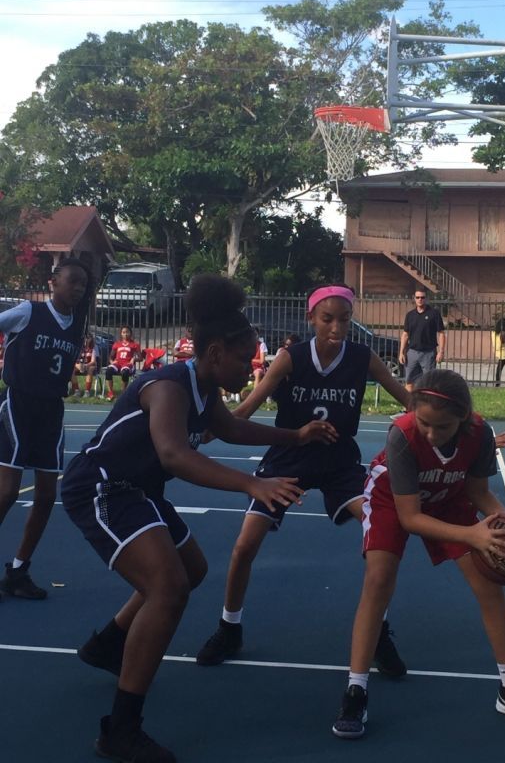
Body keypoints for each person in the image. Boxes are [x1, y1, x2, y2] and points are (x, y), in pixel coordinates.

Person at [61, 274, 335, 763]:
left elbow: (228, 427)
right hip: (102, 487)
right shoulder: (168, 386)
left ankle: (108, 646)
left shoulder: (204, 389)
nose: (252, 367)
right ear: (212, 353)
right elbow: (173, 455)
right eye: (243, 358)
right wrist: (253, 483)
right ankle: (120, 731)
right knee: (169, 589)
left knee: (191, 570)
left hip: (138, 489)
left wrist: (295, 437)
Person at [196, 284, 411, 671]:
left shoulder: (362, 358)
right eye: (327, 319)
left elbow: (410, 402)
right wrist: (203, 431)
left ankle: (378, 630)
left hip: (339, 462)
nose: (336, 327)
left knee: (382, 534)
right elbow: (247, 406)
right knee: (245, 545)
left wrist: (461, 425)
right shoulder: (290, 358)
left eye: (344, 319)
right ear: (311, 318)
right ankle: (229, 627)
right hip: (288, 456)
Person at [332, 369, 505, 739]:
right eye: (425, 423)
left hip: (449, 497)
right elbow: (410, 517)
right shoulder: (401, 434)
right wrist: (473, 534)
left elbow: (478, 492)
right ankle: (356, 690)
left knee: (487, 581)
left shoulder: (480, 434)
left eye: (443, 427)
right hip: (393, 499)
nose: (432, 433)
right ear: (414, 411)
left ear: (463, 418)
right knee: (379, 579)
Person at [0, 258, 92, 599]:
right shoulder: (28, 312)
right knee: (7, 492)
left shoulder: (76, 325)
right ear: (53, 282)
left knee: (46, 495)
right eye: (73, 282)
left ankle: (19, 570)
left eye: (83, 285)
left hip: (51, 411)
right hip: (19, 404)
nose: (78, 289)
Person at [399, 289, 445, 391]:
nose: (420, 300)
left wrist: (441, 352)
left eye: (422, 297)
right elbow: (405, 334)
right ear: (414, 299)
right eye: (418, 297)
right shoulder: (410, 315)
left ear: (426, 299)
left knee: (429, 383)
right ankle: (409, 405)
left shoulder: (434, 314)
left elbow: (441, 333)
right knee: (409, 381)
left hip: (428, 353)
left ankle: (426, 405)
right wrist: (401, 352)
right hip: (412, 353)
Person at [105, 325, 143, 401]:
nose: (125, 334)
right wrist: (112, 362)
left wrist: (134, 359)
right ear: (121, 334)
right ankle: (110, 392)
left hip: (128, 363)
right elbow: (110, 356)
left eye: (127, 332)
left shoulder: (135, 345)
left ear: (130, 333)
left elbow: (141, 358)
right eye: (123, 332)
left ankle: (123, 393)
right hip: (118, 363)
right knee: (109, 370)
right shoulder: (117, 344)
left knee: (125, 372)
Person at [70, 332, 99, 397]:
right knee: (71, 369)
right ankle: (77, 391)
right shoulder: (80, 348)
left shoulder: (93, 348)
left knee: (90, 369)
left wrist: (86, 365)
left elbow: (93, 361)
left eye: (88, 338)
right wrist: (79, 365)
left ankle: (87, 391)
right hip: (81, 365)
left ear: (91, 339)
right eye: (84, 338)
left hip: (90, 365)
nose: (86, 340)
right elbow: (76, 359)